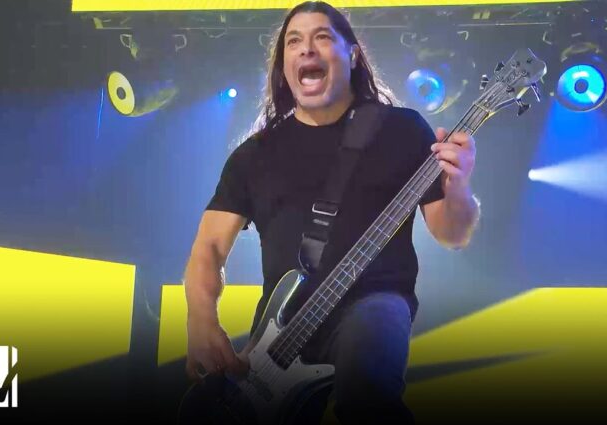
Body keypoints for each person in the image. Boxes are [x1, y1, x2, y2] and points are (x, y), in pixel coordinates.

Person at [182, 1, 480, 423]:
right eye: (294, 41)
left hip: (373, 302)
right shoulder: (254, 155)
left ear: (353, 55)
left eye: (322, 37)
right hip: (281, 332)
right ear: (284, 64)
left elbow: (453, 233)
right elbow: (209, 247)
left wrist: (459, 185)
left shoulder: (402, 129)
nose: (306, 48)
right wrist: (200, 319)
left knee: (368, 396)